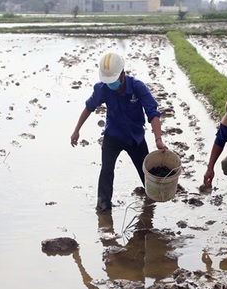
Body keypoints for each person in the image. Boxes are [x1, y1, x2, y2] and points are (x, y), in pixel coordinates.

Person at [71, 52, 167, 213]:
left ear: (123, 74)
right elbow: (89, 107)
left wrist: (158, 139)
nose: (111, 85)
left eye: (113, 81)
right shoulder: (103, 88)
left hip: (135, 137)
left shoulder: (137, 87)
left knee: (146, 173)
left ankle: (150, 210)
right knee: (106, 171)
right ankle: (103, 210)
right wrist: (76, 131)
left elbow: (153, 113)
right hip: (113, 136)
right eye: (108, 82)